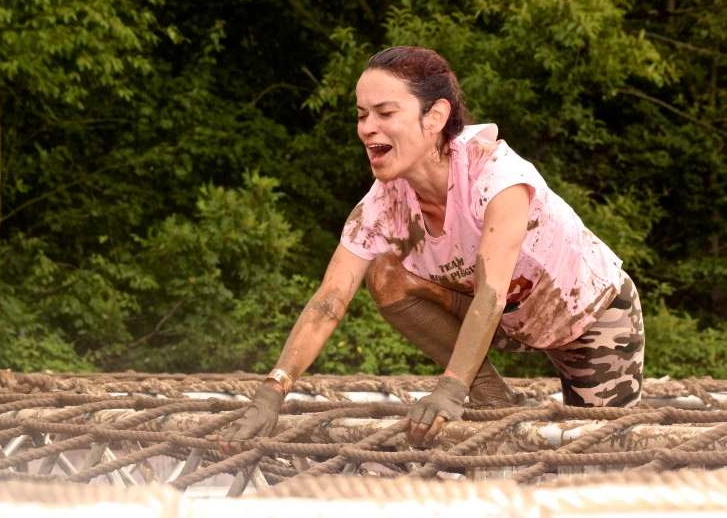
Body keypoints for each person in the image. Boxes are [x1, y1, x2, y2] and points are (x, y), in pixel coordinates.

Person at [212, 46, 645, 454]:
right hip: (506, 323)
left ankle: (470, 386)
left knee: (597, 453)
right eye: (362, 115)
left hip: (588, 318)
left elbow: (491, 293)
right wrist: (272, 391)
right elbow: (330, 299)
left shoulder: (496, 175)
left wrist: (449, 388)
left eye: (385, 112)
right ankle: (492, 397)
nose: (367, 127)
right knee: (386, 274)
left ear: (436, 115)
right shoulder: (382, 206)